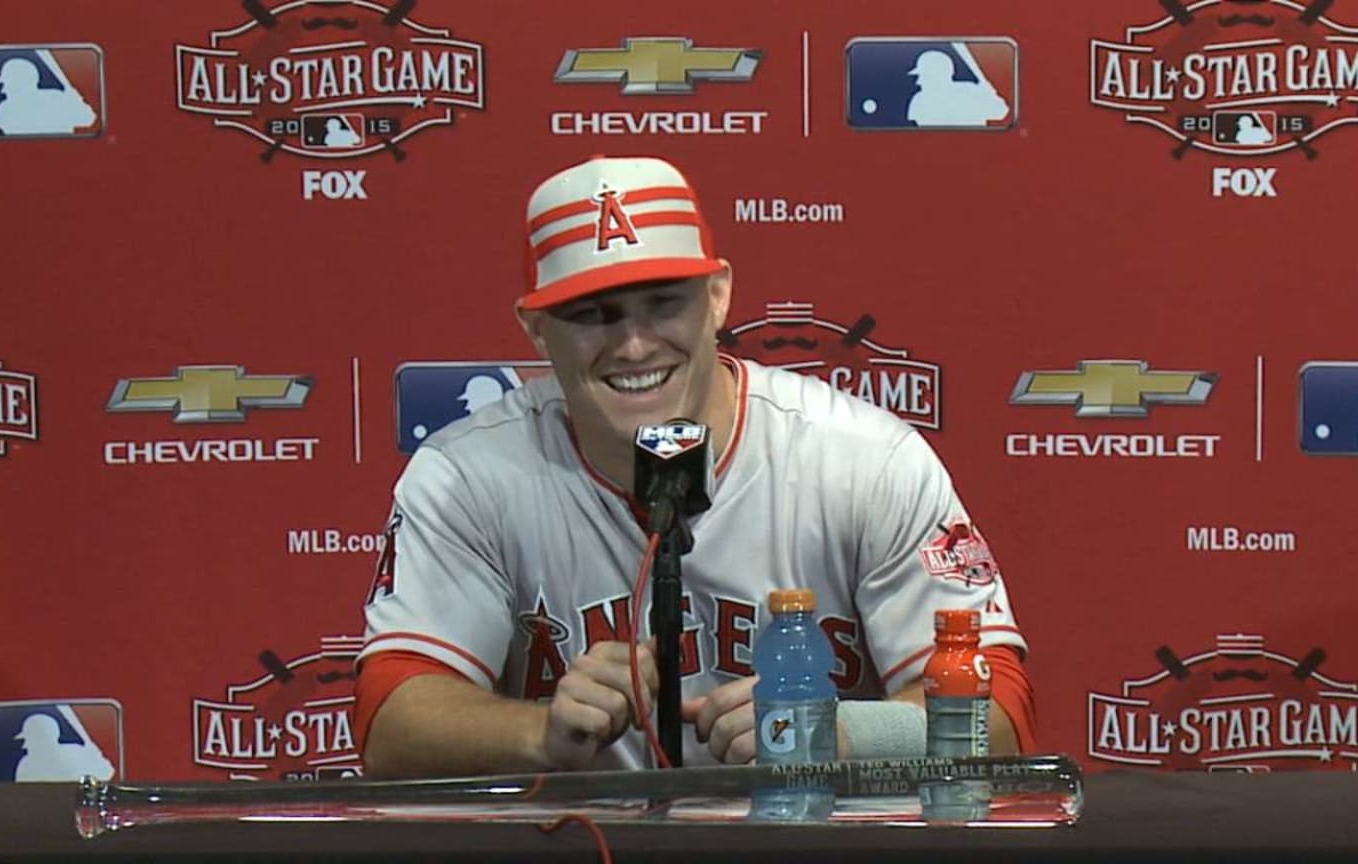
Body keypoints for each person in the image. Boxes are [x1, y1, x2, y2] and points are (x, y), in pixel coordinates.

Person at [353, 155, 1035, 777]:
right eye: (593, 315)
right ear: (535, 329)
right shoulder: (467, 476)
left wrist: (843, 733)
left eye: (663, 303)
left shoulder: (862, 460)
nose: (634, 345)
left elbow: (1001, 712)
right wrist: (541, 735)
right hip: (586, 843)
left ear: (717, 295)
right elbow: (390, 721)